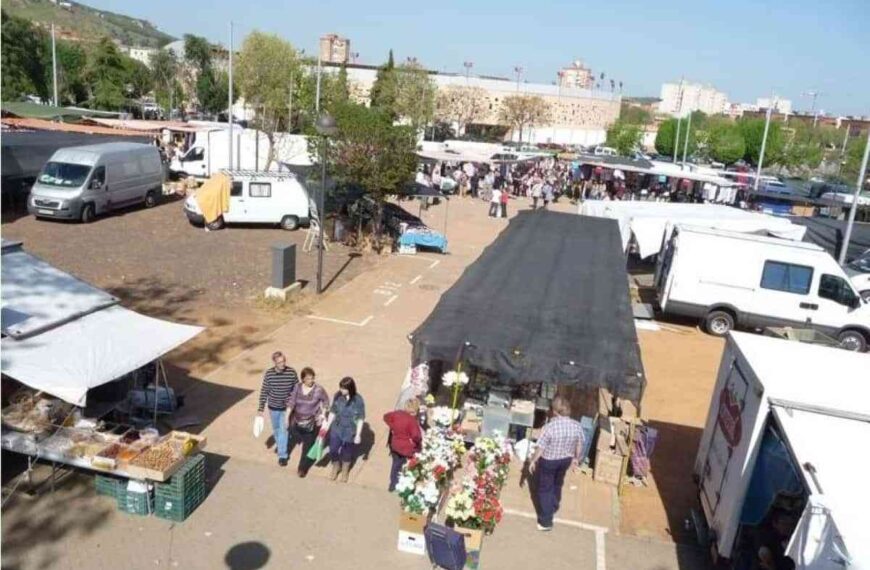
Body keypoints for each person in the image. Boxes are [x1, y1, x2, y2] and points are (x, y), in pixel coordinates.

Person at [529, 397, 584, 531]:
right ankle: (554, 505)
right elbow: (579, 444)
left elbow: (540, 447)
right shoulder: (576, 425)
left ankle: (545, 522)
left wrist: (533, 461)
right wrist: (576, 459)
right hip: (566, 459)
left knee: (545, 488)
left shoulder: (549, 427)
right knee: (557, 482)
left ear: (554, 411)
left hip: (549, 461)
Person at [256, 351, 299, 466]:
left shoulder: (291, 372)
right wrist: (260, 409)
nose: (282, 364)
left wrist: (295, 404)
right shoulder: (269, 374)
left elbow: (296, 389)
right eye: (279, 362)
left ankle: (282, 455)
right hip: (273, 408)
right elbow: (264, 391)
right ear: (274, 362)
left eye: (284, 361)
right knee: (276, 429)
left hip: (286, 408)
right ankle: (281, 446)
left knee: (284, 430)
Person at [287, 367, 330, 478]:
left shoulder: (318, 390)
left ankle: (302, 468)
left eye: (312, 378)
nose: (311, 381)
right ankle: (305, 459)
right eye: (308, 379)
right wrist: (286, 417)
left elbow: (326, 401)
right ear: (303, 379)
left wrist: (322, 414)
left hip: (312, 422)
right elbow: (291, 402)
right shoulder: (297, 387)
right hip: (297, 421)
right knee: (294, 434)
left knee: (307, 446)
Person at [327, 376, 366, 482]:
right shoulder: (338, 396)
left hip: (350, 430)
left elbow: (360, 418)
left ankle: (345, 470)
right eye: (340, 387)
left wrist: (358, 434)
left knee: (347, 452)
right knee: (333, 449)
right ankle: (336, 466)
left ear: (350, 388)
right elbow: (333, 411)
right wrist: (327, 424)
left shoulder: (358, 400)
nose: (341, 390)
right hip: (337, 427)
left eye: (343, 388)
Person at [383, 399, 423, 492]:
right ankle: (403, 486)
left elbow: (386, 417)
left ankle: (393, 485)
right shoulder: (412, 421)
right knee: (407, 467)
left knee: (395, 465)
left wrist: (392, 427)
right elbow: (416, 436)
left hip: (395, 445)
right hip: (407, 449)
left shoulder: (397, 414)